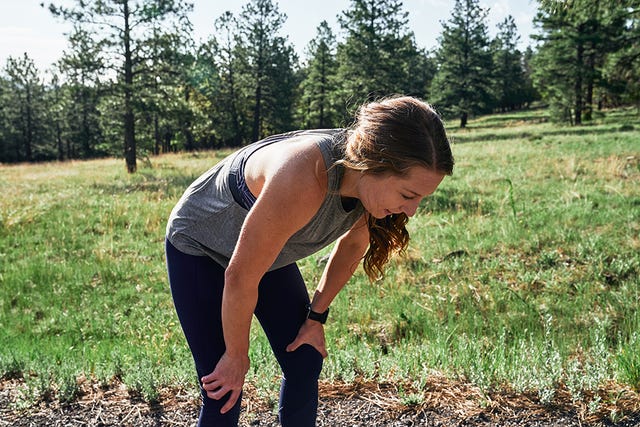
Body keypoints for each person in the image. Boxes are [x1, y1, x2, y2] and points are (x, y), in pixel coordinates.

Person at [165, 95, 455, 427]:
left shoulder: (365, 186)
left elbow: (352, 245)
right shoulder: (306, 175)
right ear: (374, 163)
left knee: (304, 359)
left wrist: (316, 318)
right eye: (408, 195)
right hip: (200, 245)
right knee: (224, 388)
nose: (412, 210)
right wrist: (236, 355)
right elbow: (241, 276)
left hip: (263, 253)